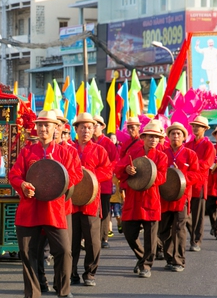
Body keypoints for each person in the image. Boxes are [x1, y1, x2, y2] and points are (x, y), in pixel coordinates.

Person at [9, 110, 82, 298]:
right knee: (27, 252)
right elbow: (14, 175)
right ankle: (31, 295)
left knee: (64, 250)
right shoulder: (27, 151)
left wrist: (59, 185)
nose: (43, 129)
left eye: (47, 125)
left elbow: (76, 174)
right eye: (40, 125)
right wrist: (23, 185)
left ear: (56, 128)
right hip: (29, 209)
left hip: (55, 209)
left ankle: (64, 290)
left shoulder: (67, 152)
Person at [114, 120, 168, 278]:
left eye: (156, 137)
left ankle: (146, 265)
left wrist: (147, 177)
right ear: (143, 137)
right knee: (129, 233)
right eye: (150, 136)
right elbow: (118, 169)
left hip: (151, 198)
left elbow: (162, 178)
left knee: (150, 236)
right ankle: (142, 257)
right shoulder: (133, 153)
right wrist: (126, 169)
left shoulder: (161, 156)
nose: (153, 140)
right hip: (133, 199)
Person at [70, 113, 113, 287]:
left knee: (93, 241)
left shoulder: (99, 150)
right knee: (71, 241)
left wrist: (90, 177)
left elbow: (108, 171)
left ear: (94, 129)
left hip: (91, 201)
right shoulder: (68, 149)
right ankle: (71, 272)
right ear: (76, 129)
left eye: (89, 127)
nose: (86, 130)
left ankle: (90, 272)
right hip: (71, 201)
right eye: (82, 127)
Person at [158, 122, 201, 272]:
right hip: (165, 197)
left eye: (178, 134)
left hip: (182, 197)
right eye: (173, 133)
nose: (175, 136)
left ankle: (178, 260)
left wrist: (181, 176)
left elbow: (196, 174)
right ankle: (169, 257)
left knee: (179, 228)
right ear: (168, 137)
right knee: (164, 229)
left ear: (183, 137)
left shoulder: (190, 154)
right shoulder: (163, 154)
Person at [185, 116, 215, 252]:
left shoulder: (208, 145)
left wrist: (190, 166)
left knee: (198, 214)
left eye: (199, 126)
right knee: (185, 214)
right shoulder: (188, 145)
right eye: (194, 125)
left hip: (199, 183)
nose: (195, 128)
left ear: (205, 129)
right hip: (186, 183)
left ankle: (196, 240)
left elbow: (206, 164)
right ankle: (193, 236)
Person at [93, 115, 119, 249]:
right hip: (90, 184)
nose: (93, 128)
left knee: (105, 210)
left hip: (104, 182)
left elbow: (115, 161)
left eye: (96, 125)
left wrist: (104, 171)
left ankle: (104, 237)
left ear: (102, 127)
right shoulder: (88, 142)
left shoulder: (108, 143)